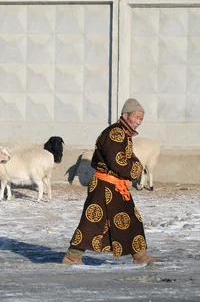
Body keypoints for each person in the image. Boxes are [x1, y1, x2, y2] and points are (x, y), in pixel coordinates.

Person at [62, 98, 159, 265]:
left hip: (116, 185)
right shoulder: (115, 133)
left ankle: (140, 256)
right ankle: (72, 257)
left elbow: (129, 158)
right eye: (136, 118)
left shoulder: (123, 133)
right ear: (125, 115)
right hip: (104, 185)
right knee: (92, 221)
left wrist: (135, 166)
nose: (138, 122)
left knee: (131, 218)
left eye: (141, 119)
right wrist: (135, 169)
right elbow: (118, 161)